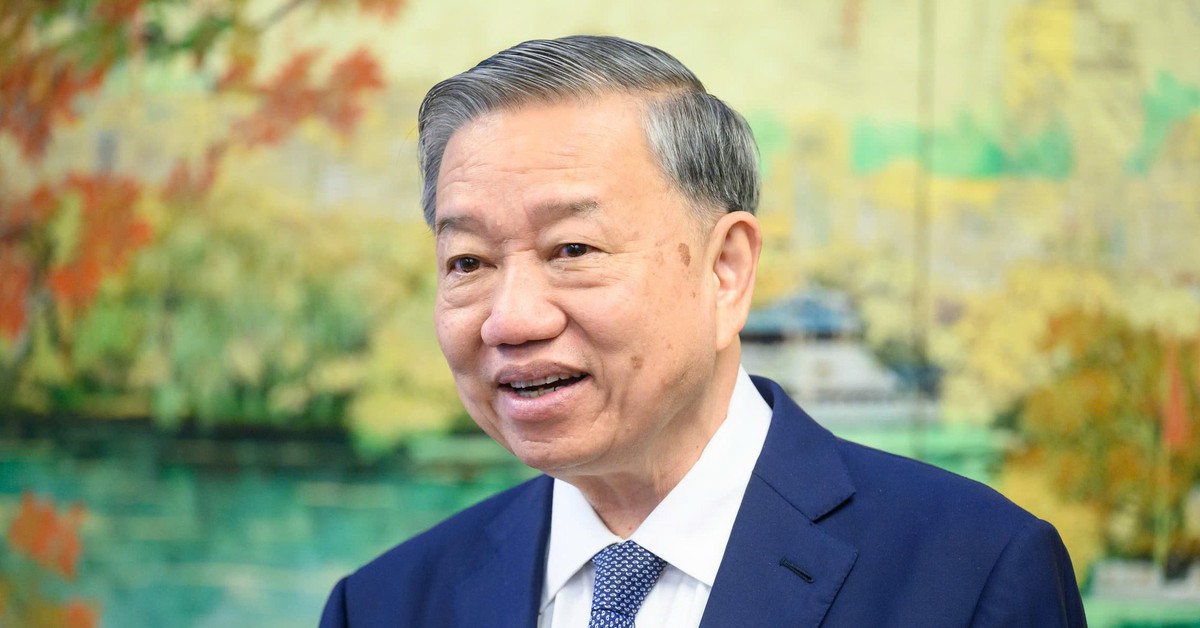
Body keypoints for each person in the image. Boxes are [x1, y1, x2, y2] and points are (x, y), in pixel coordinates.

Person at [319, 35, 1087, 627]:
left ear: (726, 269)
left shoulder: (972, 574)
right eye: (468, 262)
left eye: (573, 250)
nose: (511, 319)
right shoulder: (384, 605)